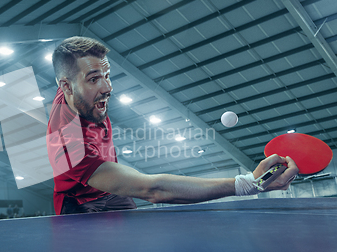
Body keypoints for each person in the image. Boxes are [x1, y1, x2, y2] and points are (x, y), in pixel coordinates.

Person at [46, 36, 298, 215]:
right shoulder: (68, 145)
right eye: (93, 79)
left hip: (112, 194)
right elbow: (153, 189)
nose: (107, 88)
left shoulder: (78, 93)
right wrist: (245, 183)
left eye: (107, 75)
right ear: (65, 87)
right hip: (81, 205)